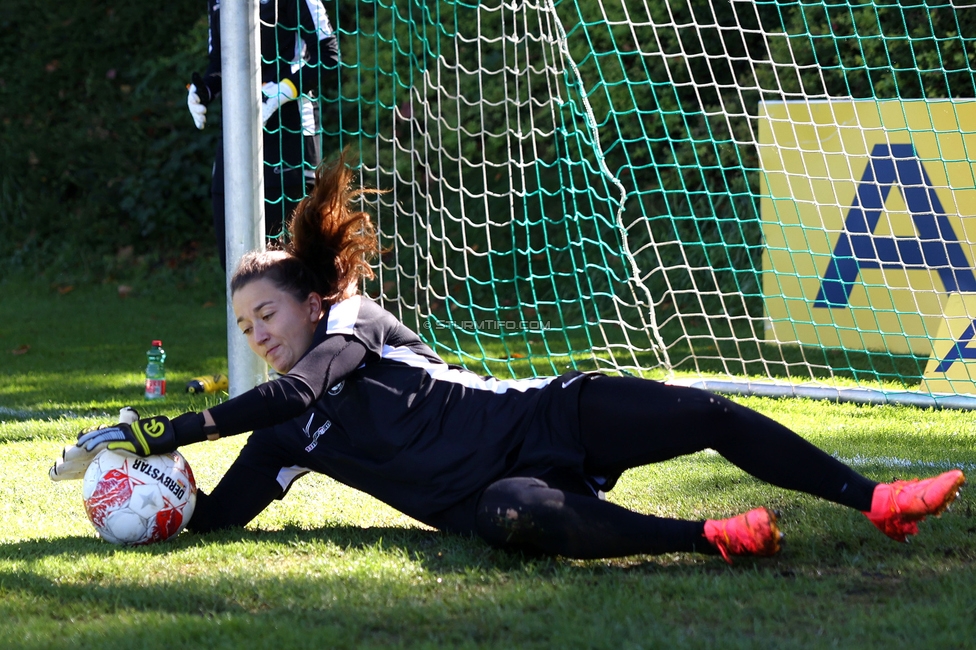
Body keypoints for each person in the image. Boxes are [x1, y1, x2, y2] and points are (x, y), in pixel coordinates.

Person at [53, 151, 967, 563]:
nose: (254, 335)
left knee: (703, 414)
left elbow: (307, 381)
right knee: (512, 518)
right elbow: (217, 519)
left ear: (314, 299)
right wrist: (142, 486)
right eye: (244, 325)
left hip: (542, 413)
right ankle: (709, 538)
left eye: (264, 314)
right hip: (485, 493)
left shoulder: (356, 323)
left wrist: (170, 426)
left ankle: (876, 500)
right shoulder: (287, 438)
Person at [187, 0, 339, 270]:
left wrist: (283, 92)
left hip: (289, 136)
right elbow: (220, 62)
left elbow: (329, 57)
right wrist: (202, 92)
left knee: (289, 267)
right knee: (235, 264)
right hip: (236, 134)